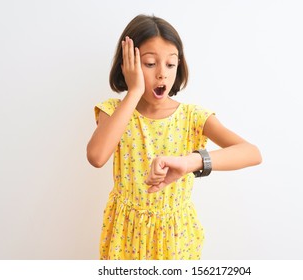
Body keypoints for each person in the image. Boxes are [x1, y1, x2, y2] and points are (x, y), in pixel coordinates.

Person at [86, 14, 262, 260]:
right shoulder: (115, 112)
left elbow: (252, 153)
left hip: (175, 239)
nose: (162, 75)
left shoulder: (192, 117)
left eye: (170, 64)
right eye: (149, 64)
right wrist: (134, 90)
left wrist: (192, 161)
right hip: (124, 237)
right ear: (128, 65)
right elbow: (96, 156)